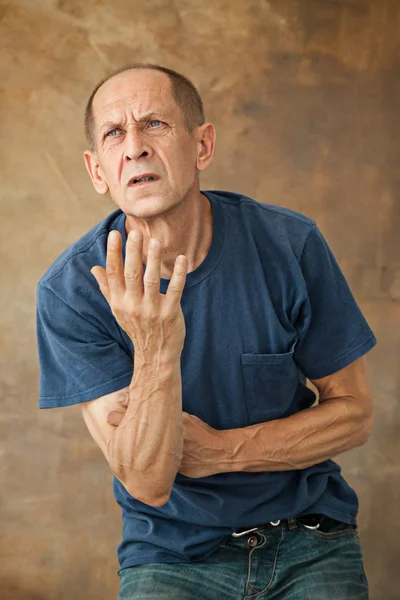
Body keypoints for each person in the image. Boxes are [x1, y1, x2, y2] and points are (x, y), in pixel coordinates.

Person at [36, 63, 376, 600]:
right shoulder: (72, 291)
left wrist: (222, 451)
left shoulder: (290, 244)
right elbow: (147, 480)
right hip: (170, 553)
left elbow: (354, 413)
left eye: (155, 125)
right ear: (97, 169)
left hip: (309, 537)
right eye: (114, 134)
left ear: (203, 145)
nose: (135, 148)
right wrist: (155, 348)